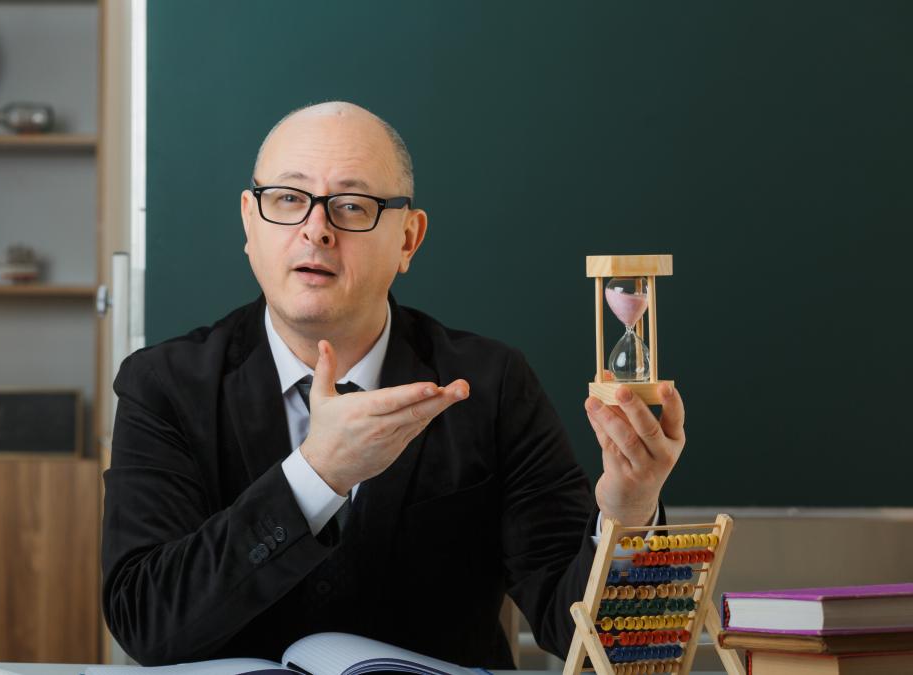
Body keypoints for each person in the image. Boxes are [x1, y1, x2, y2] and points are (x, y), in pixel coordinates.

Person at [101, 101, 686, 669]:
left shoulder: (490, 382)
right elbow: (145, 621)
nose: (316, 230)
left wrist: (627, 515)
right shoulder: (164, 384)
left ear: (408, 238)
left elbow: (580, 631)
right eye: (287, 199)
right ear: (250, 223)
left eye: (351, 206)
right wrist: (315, 475)